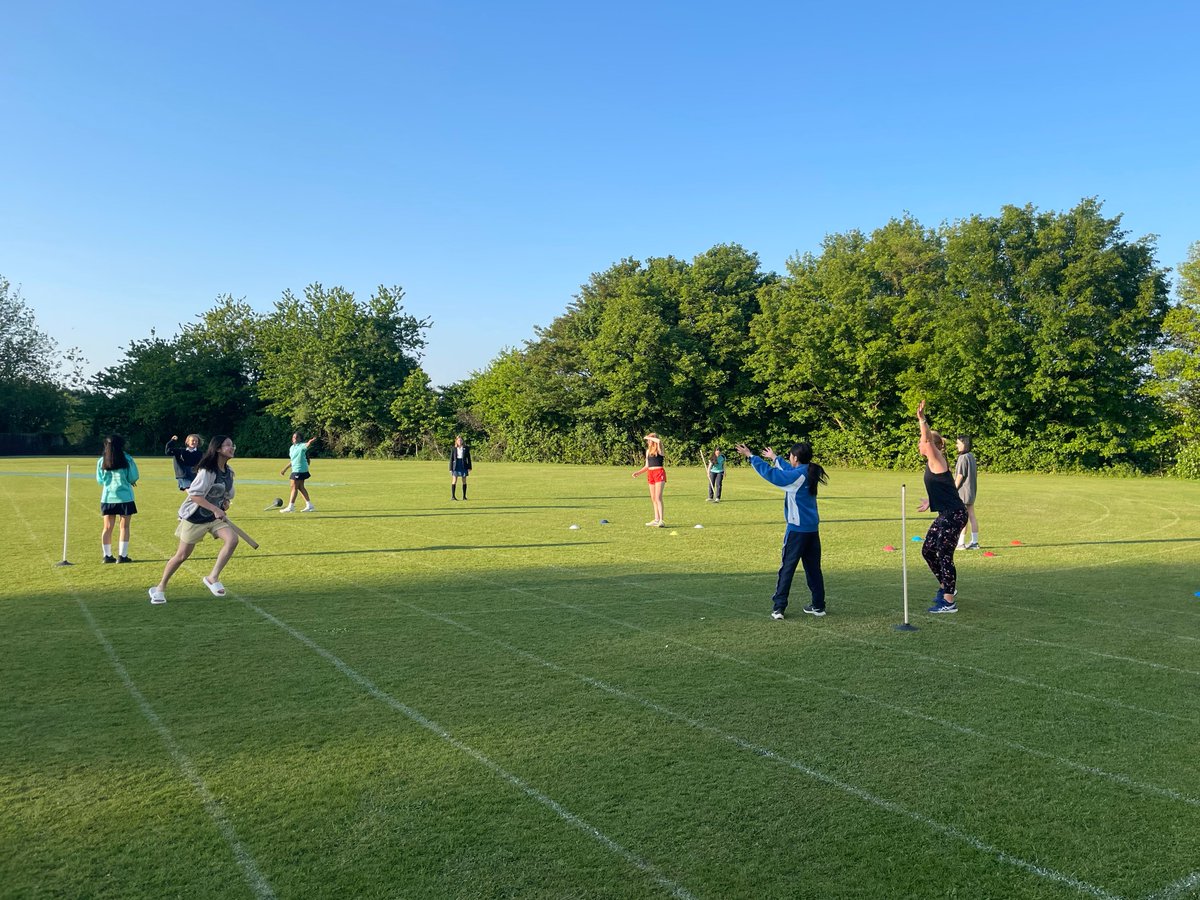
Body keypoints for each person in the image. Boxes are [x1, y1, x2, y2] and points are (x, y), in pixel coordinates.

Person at [735, 442, 828, 619]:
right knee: (814, 569)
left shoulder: (798, 476)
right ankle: (818, 606)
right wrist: (775, 458)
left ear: (795, 458)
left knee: (787, 568)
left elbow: (775, 475)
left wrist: (751, 456)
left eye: (790, 456)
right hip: (812, 531)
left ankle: (779, 608)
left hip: (796, 531)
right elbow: (789, 473)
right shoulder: (809, 471)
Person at [149, 435, 239, 605]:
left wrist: (225, 503)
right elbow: (195, 495)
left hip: (213, 518)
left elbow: (226, 494)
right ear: (218, 449)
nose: (231, 448)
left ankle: (212, 577)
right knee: (181, 556)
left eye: (232, 445)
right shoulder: (208, 471)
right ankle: (160, 587)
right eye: (228, 445)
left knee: (232, 540)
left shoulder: (229, 472)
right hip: (195, 517)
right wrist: (215, 508)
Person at [916, 400, 969, 613]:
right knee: (928, 549)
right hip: (946, 512)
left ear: (933, 445)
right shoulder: (932, 464)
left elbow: (927, 440)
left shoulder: (937, 458)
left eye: (922, 441)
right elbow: (946, 489)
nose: (920, 444)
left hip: (954, 515)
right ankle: (946, 586)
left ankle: (949, 602)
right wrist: (931, 501)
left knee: (944, 553)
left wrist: (922, 420)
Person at [97, 435, 139, 564]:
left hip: (108, 497)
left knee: (107, 527)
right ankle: (122, 555)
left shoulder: (101, 460)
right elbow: (133, 477)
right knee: (124, 527)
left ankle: (107, 555)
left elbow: (100, 480)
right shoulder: (127, 459)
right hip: (125, 497)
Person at [632, 433, 666, 526]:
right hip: (651, 473)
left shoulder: (659, 449)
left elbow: (659, 441)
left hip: (659, 472)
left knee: (658, 497)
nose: (648, 442)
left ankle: (661, 520)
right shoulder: (648, 451)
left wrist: (648, 437)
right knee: (653, 498)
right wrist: (638, 472)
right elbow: (647, 466)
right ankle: (656, 519)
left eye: (649, 440)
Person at [280, 433, 317, 512]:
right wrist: (285, 469)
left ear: (300, 439)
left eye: (297, 437)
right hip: (296, 469)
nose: (295, 438)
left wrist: (310, 441)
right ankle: (309, 505)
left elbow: (307, 445)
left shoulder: (302, 446)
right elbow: (292, 461)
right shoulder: (291, 448)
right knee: (300, 487)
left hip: (300, 469)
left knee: (293, 487)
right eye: (293, 437)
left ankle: (290, 507)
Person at [955, 435, 980, 549]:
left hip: (963, 492)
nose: (957, 445)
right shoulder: (971, 456)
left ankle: (961, 543)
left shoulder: (963, 457)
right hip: (971, 491)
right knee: (972, 516)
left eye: (958, 443)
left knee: (963, 517)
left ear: (964, 444)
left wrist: (953, 489)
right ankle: (975, 542)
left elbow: (960, 476)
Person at [450, 435, 473, 500]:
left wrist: (470, 467)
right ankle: (453, 496)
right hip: (456, 465)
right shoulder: (454, 448)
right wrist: (450, 468)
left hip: (463, 465)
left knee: (464, 481)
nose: (459, 441)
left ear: (462, 441)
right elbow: (451, 459)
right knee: (454, 480)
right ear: (456, 441)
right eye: (458, 440)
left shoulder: (466, 448)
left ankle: (464, 496)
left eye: (460, 440)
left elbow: (468, 458)